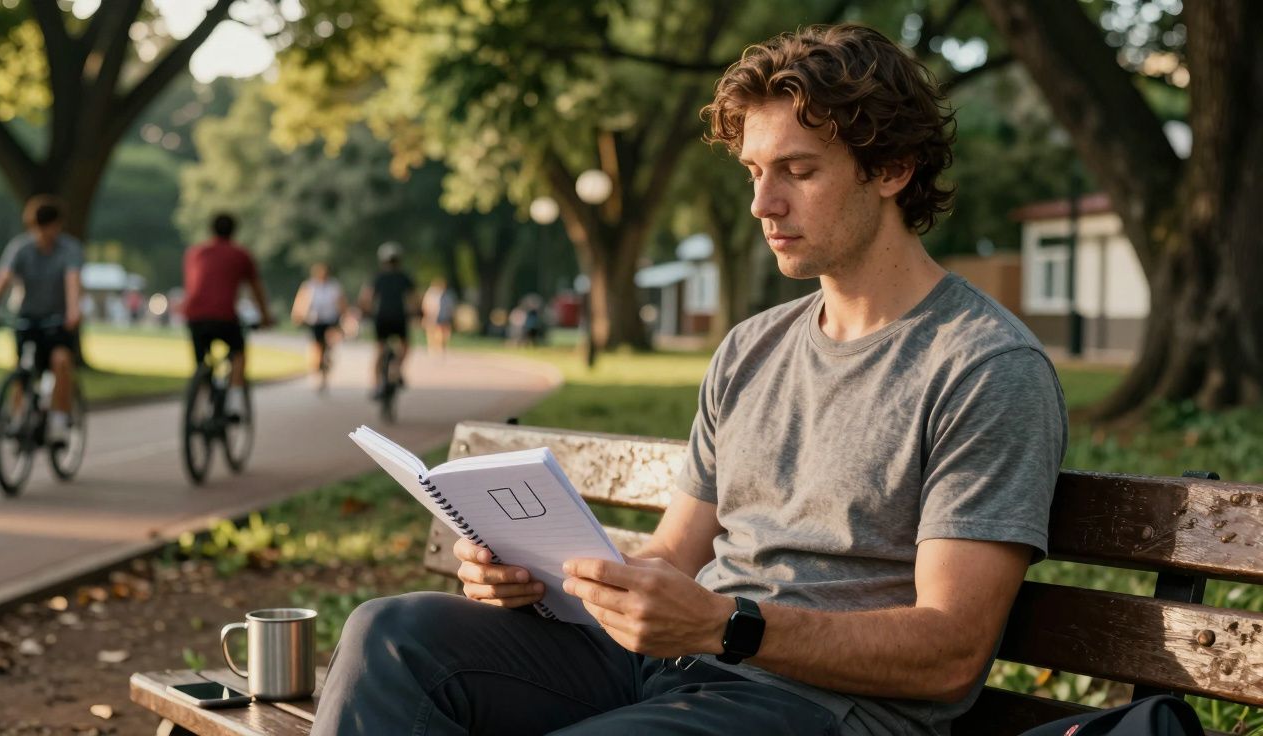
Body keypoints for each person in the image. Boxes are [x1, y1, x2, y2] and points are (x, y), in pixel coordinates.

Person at [313, 24, 1067, 736]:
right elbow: (675, 556)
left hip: (822, 710)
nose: (762, 205)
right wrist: (543, 577)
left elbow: (950, 651)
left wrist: (726, 624)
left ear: (892, 171)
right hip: (681, 665)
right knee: (391, 637)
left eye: (798, 172)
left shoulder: (983, 368)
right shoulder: (751, 349)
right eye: (754, 172)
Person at [0, 195, 84, 445]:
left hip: (58, 320)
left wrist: (74, 310)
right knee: (22, 370)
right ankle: (18, 416)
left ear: (58, 225)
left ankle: (58, 422)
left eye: (48, 227)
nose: (43, 234)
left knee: (61, 361)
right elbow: (1, 280)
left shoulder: (69, 249)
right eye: (38, 228)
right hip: (27, 317)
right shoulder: (21, 248)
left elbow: (72, 282)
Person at [181, 213, 274, 416]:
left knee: (201, 363)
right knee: (239, 352)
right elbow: (256, 289)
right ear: (234, 231)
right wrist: (266, 317)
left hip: (194, 316)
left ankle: (204, 399)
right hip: (224, 316)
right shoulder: (240, 255)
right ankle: (234, 402)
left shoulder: (195, 253)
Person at [358, 242, 416, 396]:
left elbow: (366, 297)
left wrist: (366, 312)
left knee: (379, 350)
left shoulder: (377, 277)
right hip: (399, 317)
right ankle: (396, 369)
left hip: (381, 317)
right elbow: (412, 300)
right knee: (405, 346)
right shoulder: (404, 278)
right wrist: (415, 312)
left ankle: (376, 385)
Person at [291, 262, 347, 392]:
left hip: (331, 319)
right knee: (317, 346)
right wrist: (297, 316)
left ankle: (327, 361)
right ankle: (318, 366)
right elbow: (300, 302)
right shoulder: (309, 286)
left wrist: (345, 317)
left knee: (329, 342)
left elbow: (342, 303)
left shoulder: (334, 287)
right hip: (315, 320)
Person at [420, 276, 456, 356]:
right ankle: (433, 347)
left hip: (443, 316)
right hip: (432, 315)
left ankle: (441, 346)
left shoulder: (447, 295)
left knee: (443, 332)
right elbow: (426, 305)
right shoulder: (431, 294)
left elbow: (450, 307)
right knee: (432, 331)